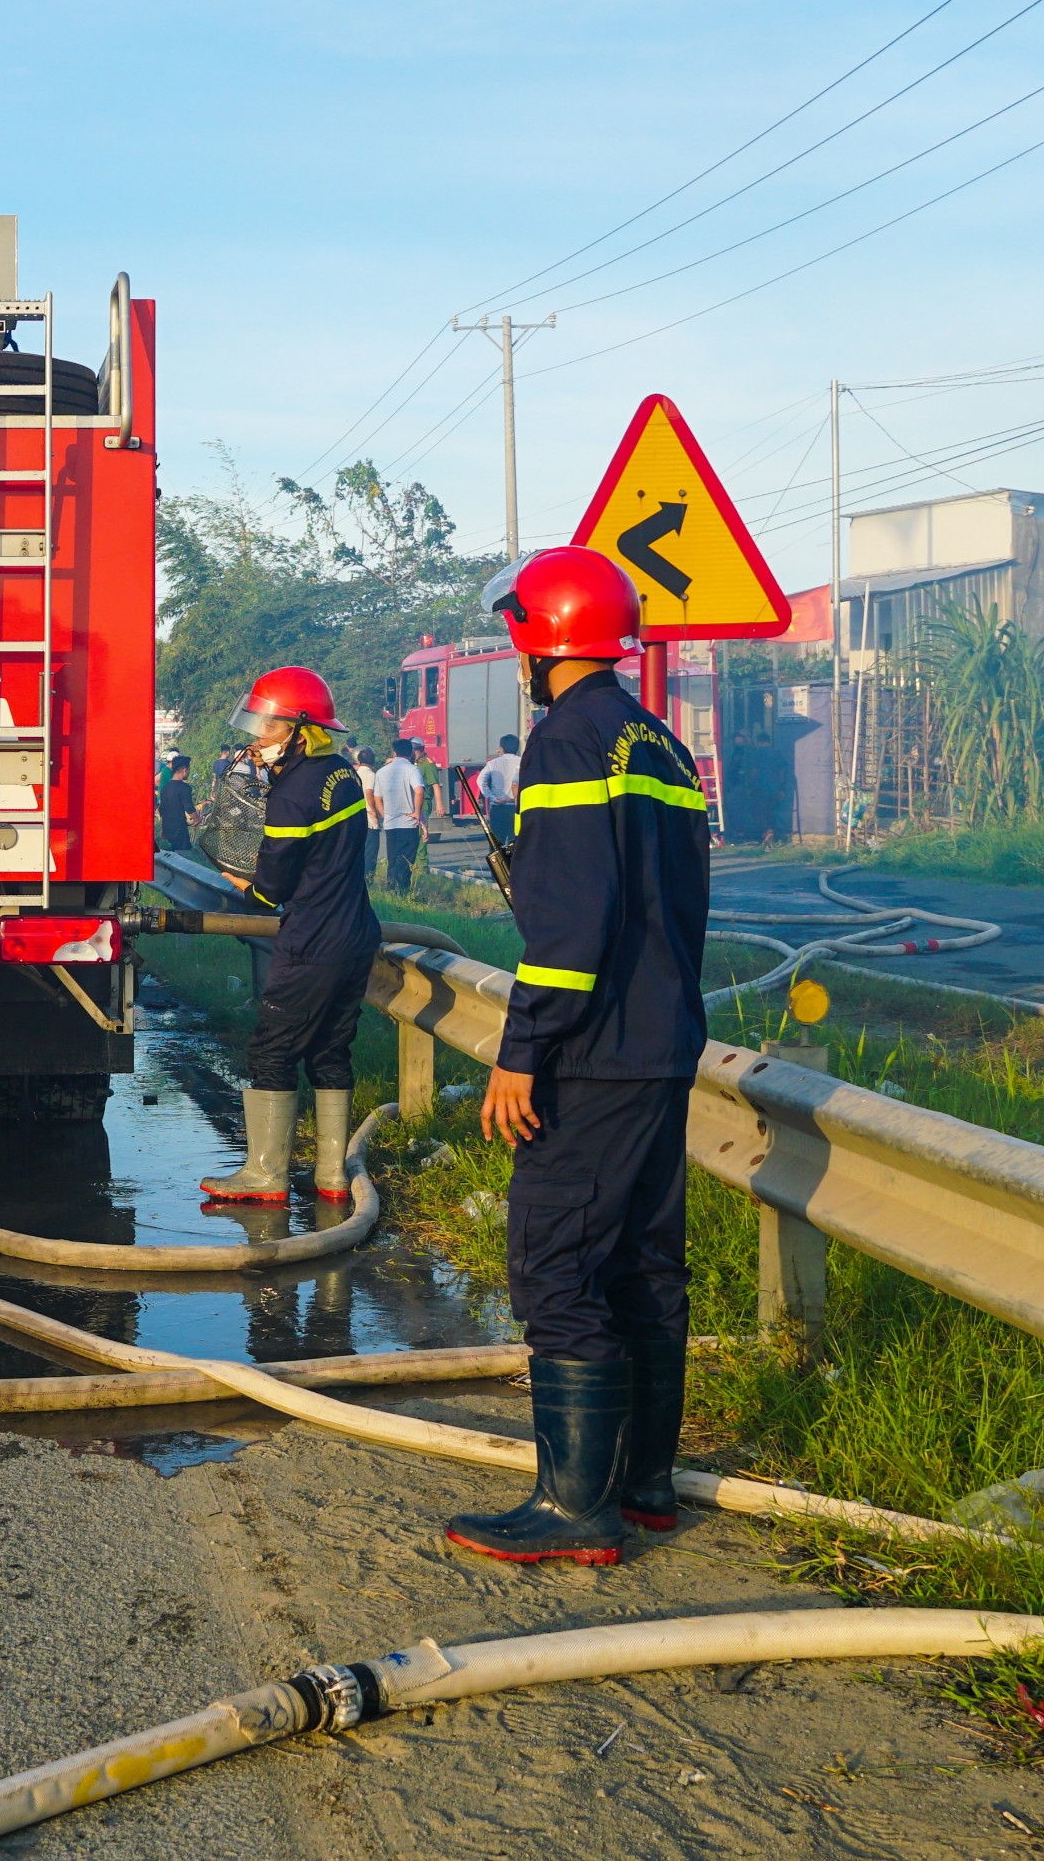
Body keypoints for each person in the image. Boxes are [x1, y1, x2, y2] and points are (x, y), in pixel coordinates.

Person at [451, 546, 709, 1567]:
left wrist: (522, 1052)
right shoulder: (661, 744)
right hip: (662, 1043)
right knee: (646, 1264)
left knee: (556, 1261)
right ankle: (644, 1485)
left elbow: (569, 926)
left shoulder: (565, 740)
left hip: (593, 1055)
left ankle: (575, 1509)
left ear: (535, 635)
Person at [200, 667, 377, 1207]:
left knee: (273, 1050)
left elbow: (271, 886)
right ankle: (332, 1175)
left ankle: (264, 1175)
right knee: (329, 1049)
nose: (257, 741)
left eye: (267, 729)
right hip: (356, 932)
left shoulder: (293, 793)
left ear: (300, 729)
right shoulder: (341, 772)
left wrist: (245, 888)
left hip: (312, 940)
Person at [372, 739, 424, 893]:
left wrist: (384, 814)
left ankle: (391, 888)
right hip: (408, 823)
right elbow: (419, 791)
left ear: (394, 753)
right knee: (406, 859)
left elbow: (377, 798)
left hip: (390, 823)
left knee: (393, 858)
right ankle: (402, 890)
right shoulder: (412, 770)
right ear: (411, 753)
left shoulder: (382, 771)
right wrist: (416, 812)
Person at [479, 731, 522, 845]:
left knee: (497, 844)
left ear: (502, 748)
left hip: (498, 807)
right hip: (516, 807)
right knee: (516, 843)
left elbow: (480, 781)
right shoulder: (523, 761)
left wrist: (491, 796)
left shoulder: (493, 763)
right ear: (517, 748)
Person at [156, 753, 196, 851]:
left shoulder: (165, 788)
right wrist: (197, 819)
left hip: (167, 828)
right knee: (184, 853)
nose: (189, 772)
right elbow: (189, 807)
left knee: (173, 852)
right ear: (184, 770)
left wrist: (163, 829)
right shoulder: (184, 788)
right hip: (179, 829)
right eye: (189, 769)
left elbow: (162, 809)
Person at [353, 746, 382, 883]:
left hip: (356, 818)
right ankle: (368, 879)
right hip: (369, 820)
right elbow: (369, 793)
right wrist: (373, 812)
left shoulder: (354, 774)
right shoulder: (371, 775)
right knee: (371, 851)